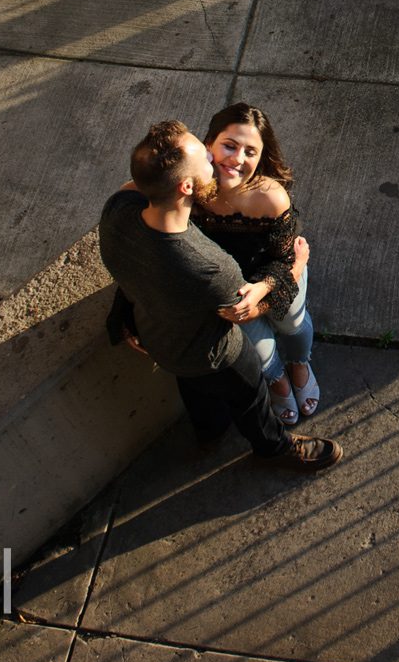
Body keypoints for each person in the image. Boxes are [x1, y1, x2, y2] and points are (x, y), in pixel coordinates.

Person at [97, 120, 339, 471]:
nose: (215, 160)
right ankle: (274, 448)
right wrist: (297, 265)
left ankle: (208, 436)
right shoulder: (209, 265)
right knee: (250, 395)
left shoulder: (119, 208)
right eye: (206, 162)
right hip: (213, 352)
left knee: (197, 397)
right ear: (186, 186)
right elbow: (247, 310)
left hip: (158, 338)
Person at [197, 103, 318, 425]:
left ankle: (299, 363)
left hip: (277, 276)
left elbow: (288, 258)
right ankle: (277, 379)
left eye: (250, 151)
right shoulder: (191, 190)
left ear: (261, 157)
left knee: (292, 325)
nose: (237, 159)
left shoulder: (270, 196)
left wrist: (261, 296)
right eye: (229, 145)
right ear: (209, 142)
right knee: (259, 351)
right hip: (232, 291)